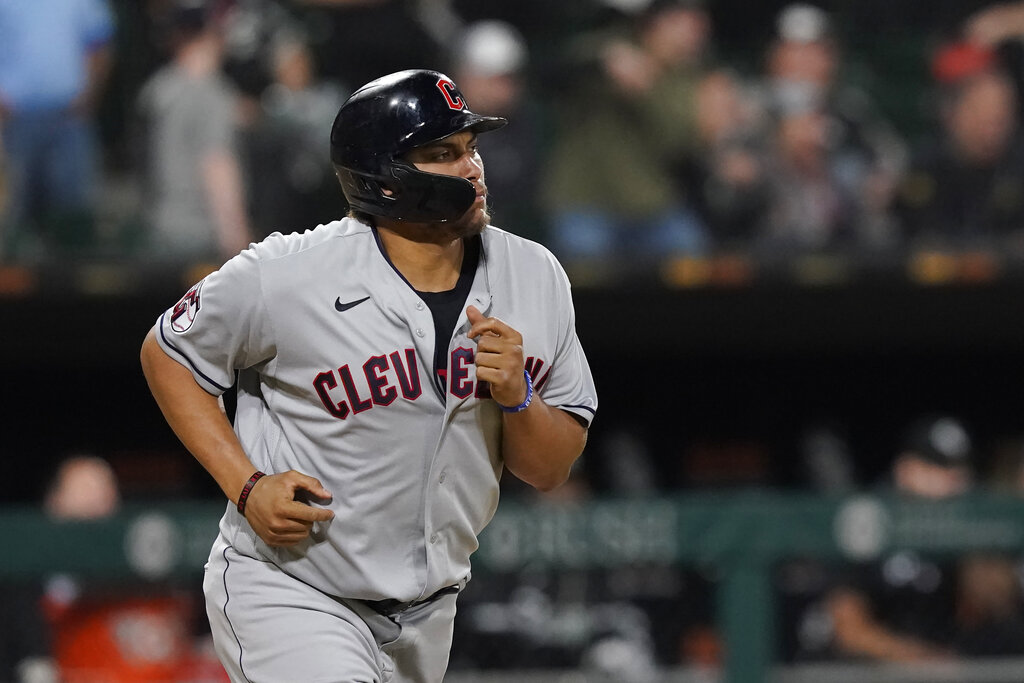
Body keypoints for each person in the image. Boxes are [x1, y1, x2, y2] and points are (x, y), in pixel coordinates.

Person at [140, 68, 598, 683]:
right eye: (442, 154)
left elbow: (549, 470)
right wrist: (245, 486)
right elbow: (168, 351)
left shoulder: (534, 274)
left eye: (471, 149)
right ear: (384, 178)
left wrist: (518, 399)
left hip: (430, 612)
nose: (471, 169)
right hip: (292, 590)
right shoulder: (290, 272)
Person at [135, 0, 253, 263]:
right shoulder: (212, 93)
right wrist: (238, 243)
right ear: (212, 32)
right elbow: (217, 166)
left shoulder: (157, 90)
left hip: (159, 230)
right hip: (203, 237)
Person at [0, 0, 115, 261]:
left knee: (73, 217)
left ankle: (72, 294)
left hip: (69, 121)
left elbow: (99, 44)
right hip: (15, 121)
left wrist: (88, 97)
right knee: (17, 217)